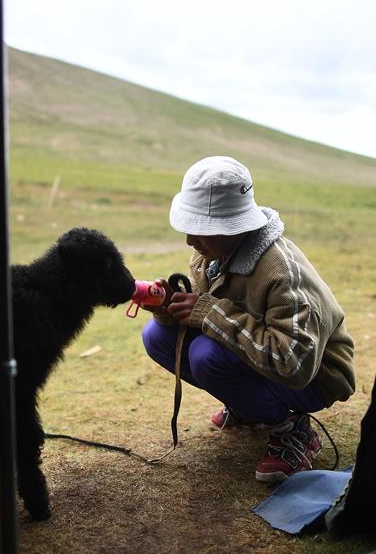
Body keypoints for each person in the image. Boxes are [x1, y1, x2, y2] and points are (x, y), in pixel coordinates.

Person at [141, 155, 355, 483]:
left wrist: (209, 313)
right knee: (157, 336)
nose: (189, 240)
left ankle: (291, 429)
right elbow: (205, 318)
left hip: (315, 379)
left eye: (200, 229)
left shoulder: (282, 273)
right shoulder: (208, 254)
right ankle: (247, 403)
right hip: (257, 357)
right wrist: (170, 308)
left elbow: (293, 365)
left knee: (206, 356)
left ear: (235, 226)